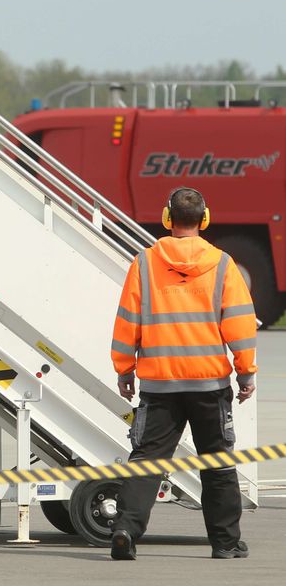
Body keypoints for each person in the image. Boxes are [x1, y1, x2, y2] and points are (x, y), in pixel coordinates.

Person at [108, 186, 257, 560]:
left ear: (166, 219)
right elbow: (239, 325)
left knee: (147, 461)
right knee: (216, 462)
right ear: (204, 219)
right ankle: (224, 544)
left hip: (159, 383)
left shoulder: (144, 263)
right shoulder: (223, 264)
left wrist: (125, 369)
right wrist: (246, 373)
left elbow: (127, 321)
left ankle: (126, 528)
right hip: (209, 383)